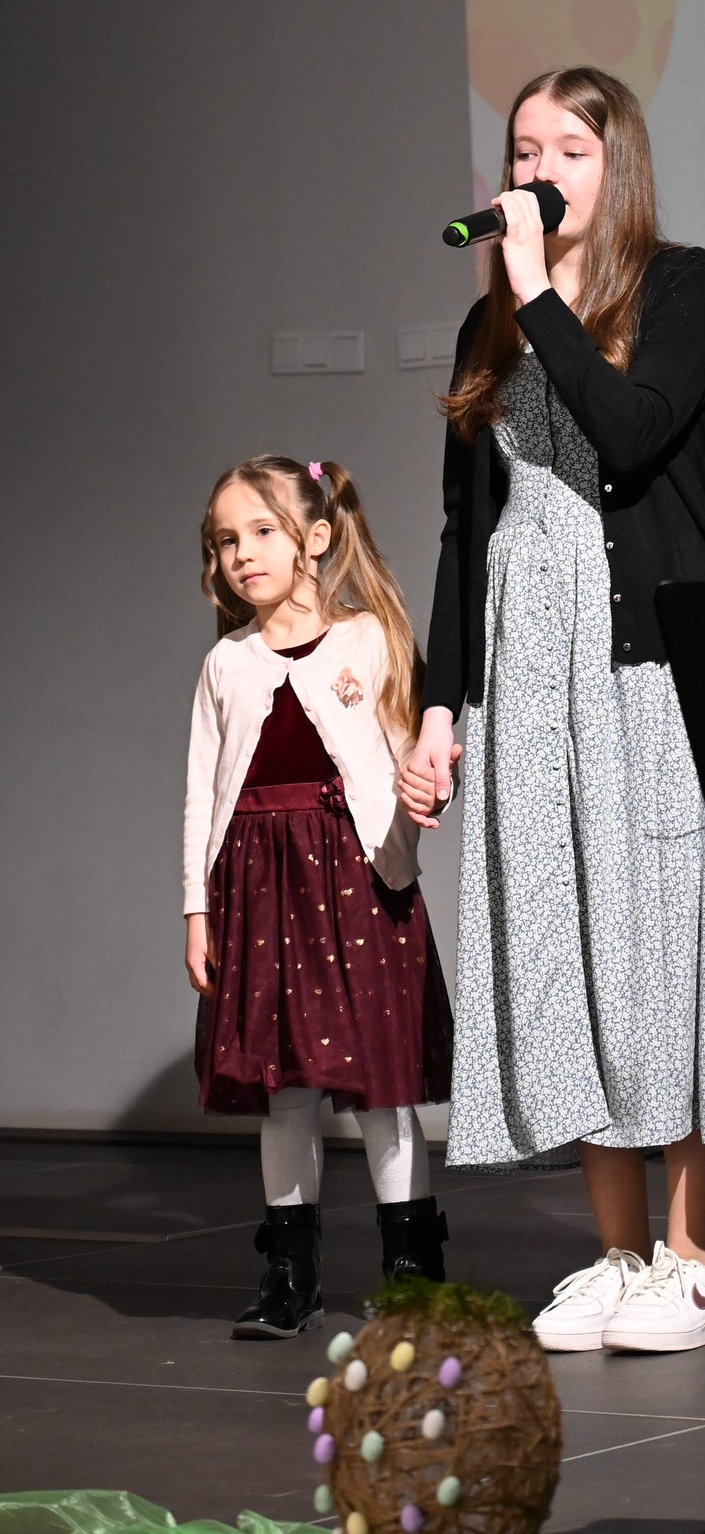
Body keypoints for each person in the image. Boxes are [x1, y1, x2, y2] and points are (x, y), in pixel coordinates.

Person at [401, 66, 705, 1355]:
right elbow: (465, 530)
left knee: (672, 952)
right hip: (530, 677)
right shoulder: (490, 325)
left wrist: (541, 297)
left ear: (619, 166)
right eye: (525, 147)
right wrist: (440, 703)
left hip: (657, 672)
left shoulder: (682, 287)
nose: (542, 167)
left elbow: (629, 434)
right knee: (563, 951)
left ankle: (693, 1260)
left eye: (572, 145)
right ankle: (617, 1256)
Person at [184, 456, 454, 1338]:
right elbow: (201, 796)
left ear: (317, 537)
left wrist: (425, 799)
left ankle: (411, 1269)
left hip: (356, 883)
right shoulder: (227, 663)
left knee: (380, 1086)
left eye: (262, 531)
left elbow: (412, 757)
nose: (242, 553)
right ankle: (289, 1274)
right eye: (226, 540)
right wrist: (197, 908)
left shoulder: (367, 640)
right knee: (283, 1088)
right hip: (259, 892)